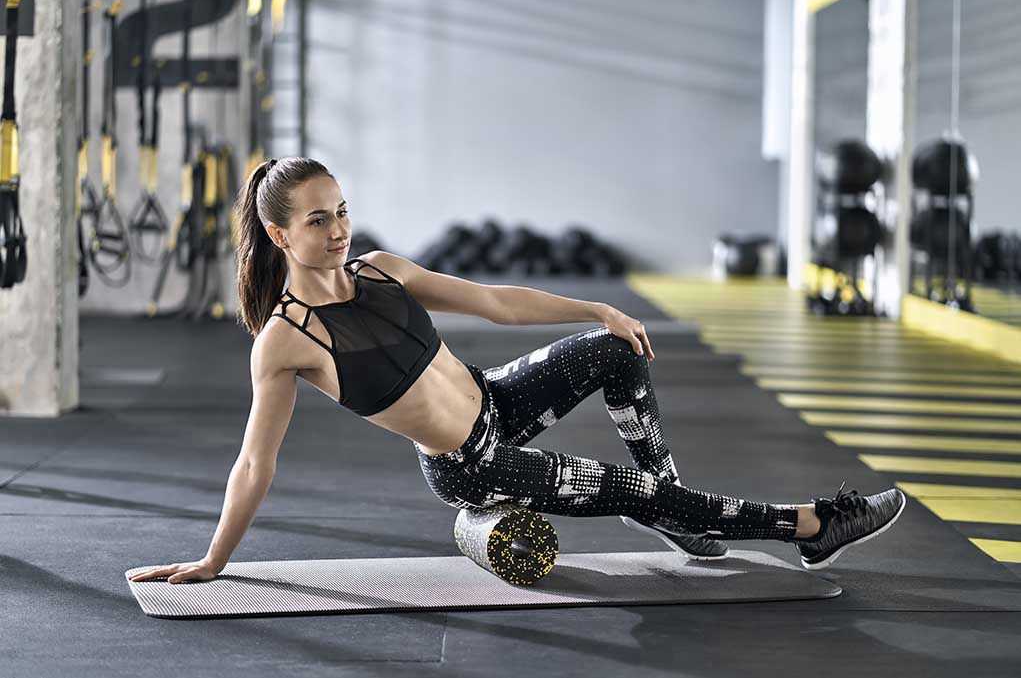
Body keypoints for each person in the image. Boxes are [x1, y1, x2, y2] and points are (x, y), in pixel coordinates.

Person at [129, 157, 905, 585]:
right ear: (276, 232)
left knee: (615, 352)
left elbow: (494, 302)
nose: (337, 230)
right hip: (472, 466)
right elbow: (254, 462)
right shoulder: (283, 341)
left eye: (340, 210)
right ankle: (807, 527)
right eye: (316, 219)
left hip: (495, 398)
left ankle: (677, 511)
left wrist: (595, 309)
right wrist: (214, 558)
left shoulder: (380, 268)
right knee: (630, 488)